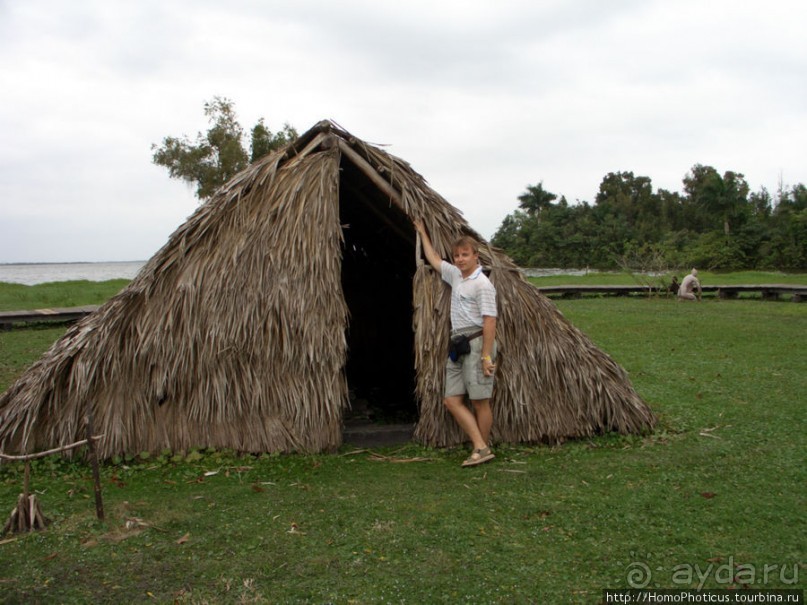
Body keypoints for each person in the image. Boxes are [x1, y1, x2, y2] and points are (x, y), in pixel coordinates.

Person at [414, 219, 498, 467]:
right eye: (457, 255)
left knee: (479, 401)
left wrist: (485, 357)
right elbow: (435, 259)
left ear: (475, 256)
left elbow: (490, 321)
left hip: (476, 342)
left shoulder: (482, 284)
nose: (460, 259)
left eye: (465, 255)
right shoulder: (456, 276)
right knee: (451, 399)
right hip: (458, 344)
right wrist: (422, 232)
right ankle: (481, 447)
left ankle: (481, 448)